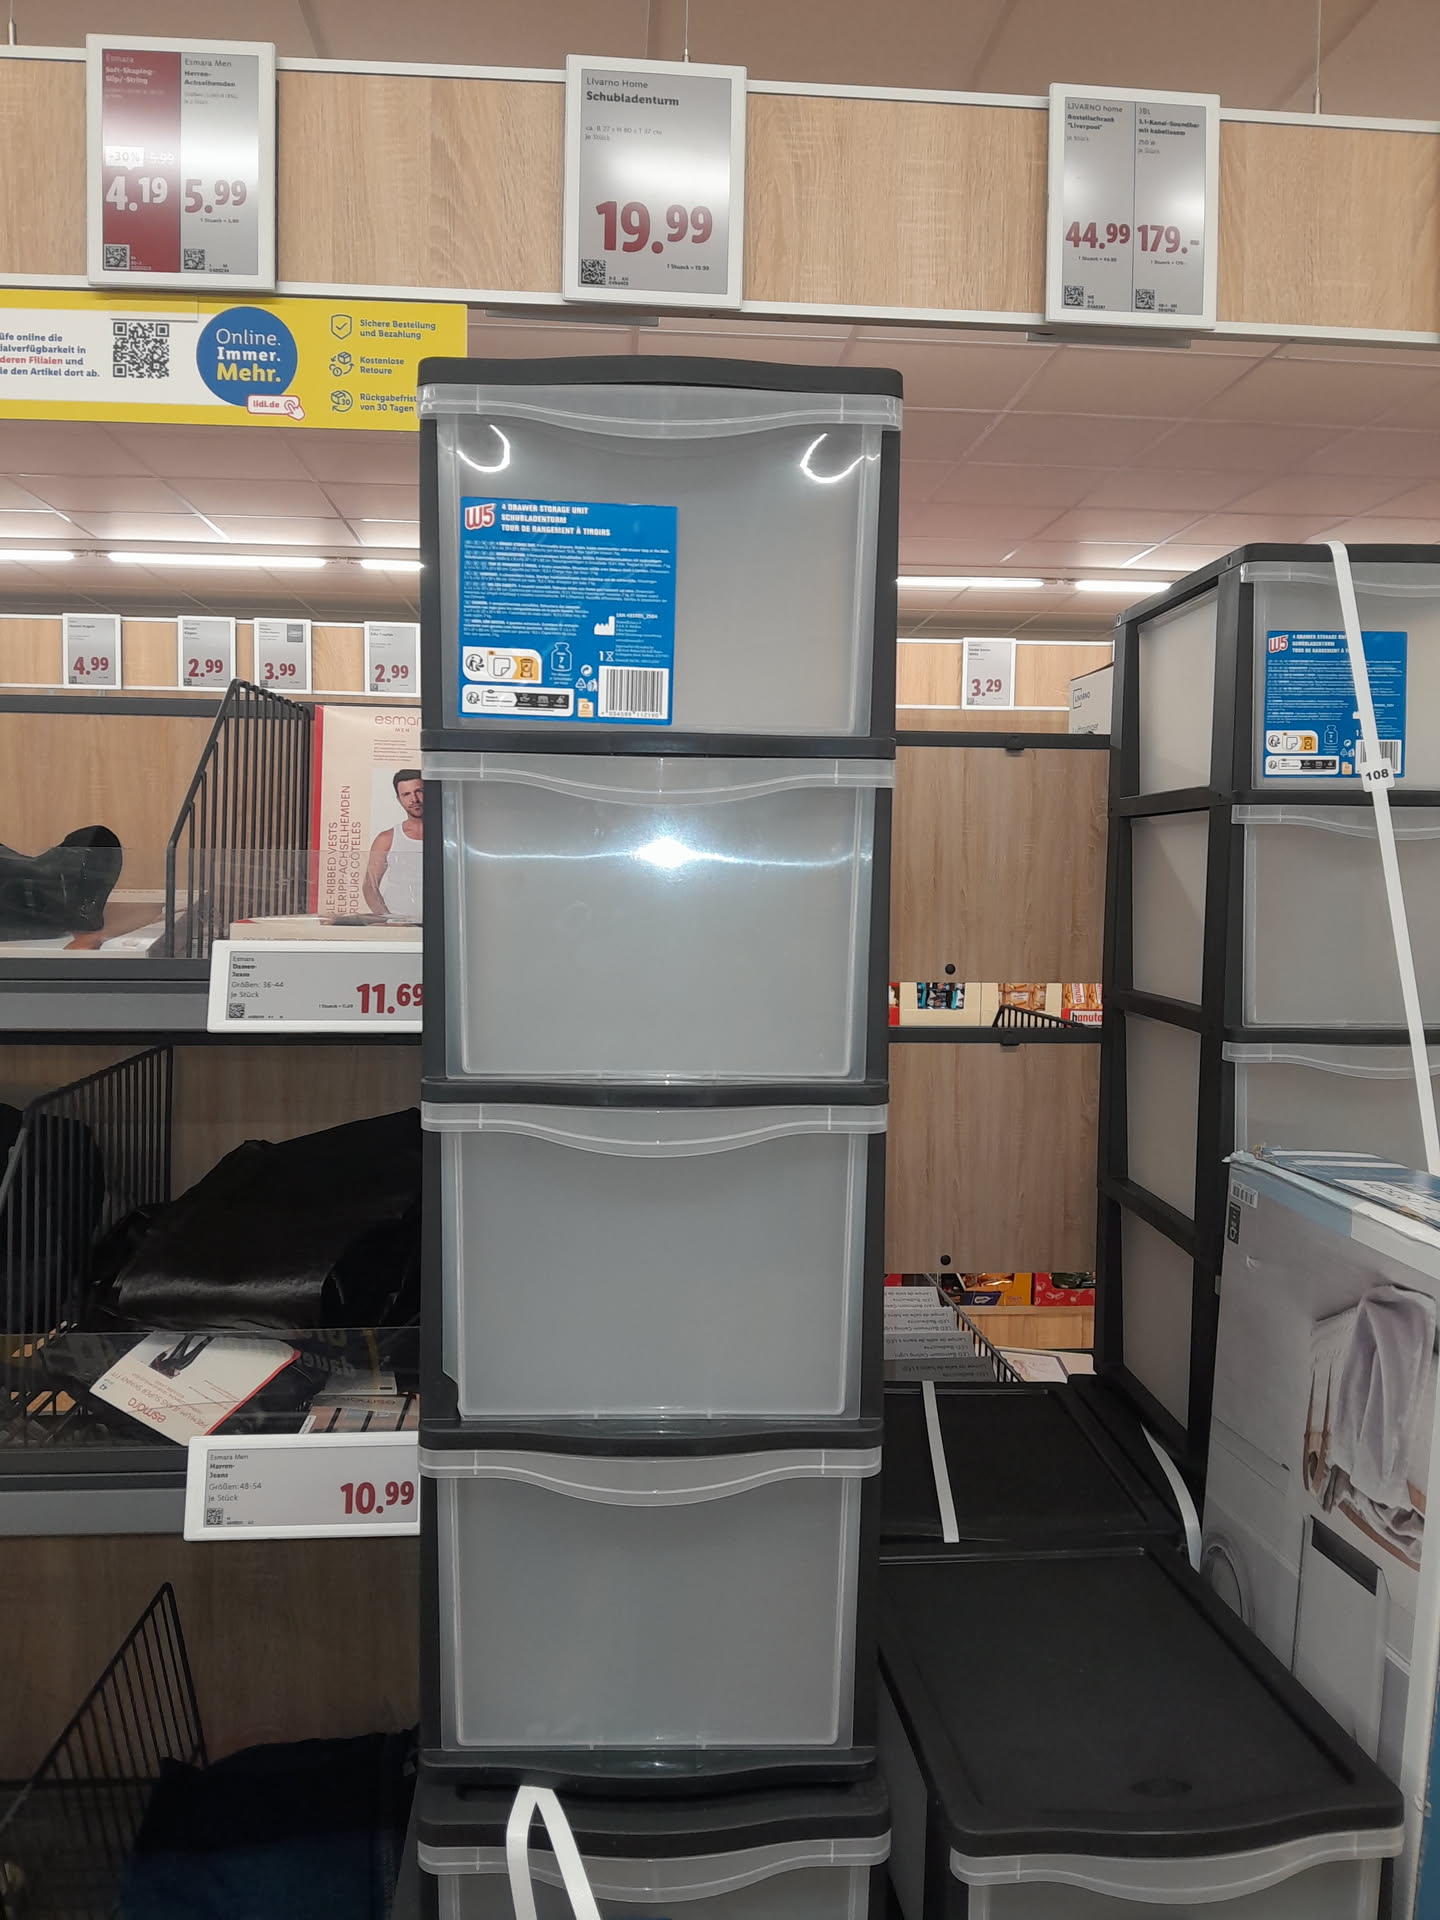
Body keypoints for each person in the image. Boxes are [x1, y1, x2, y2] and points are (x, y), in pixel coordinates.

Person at [363, 770, 423, 921]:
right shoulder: (387, 839)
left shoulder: (448, 835)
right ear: (399, 799)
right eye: (406, 794)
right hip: (398, 925)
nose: (414, 799)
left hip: (441, 924)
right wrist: (389, 920)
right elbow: (370, 887)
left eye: (419, 791)